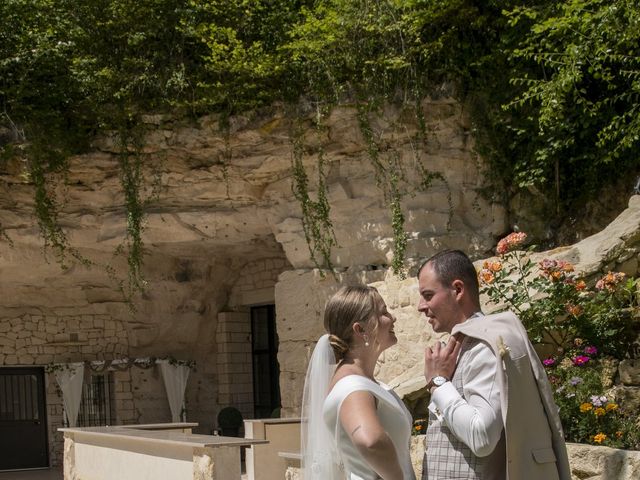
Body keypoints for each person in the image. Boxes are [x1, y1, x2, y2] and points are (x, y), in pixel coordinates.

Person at [417, 250, 571, 480]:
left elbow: (482, 436)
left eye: (428, 295)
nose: (420, 306)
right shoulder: (470, 342)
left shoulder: (485, 345)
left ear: (458, 290)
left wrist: (438, 383)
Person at [301, 285, 417, 480]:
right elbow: (370, 441)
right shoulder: (352, 386)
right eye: (383, 312)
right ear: (360, 329)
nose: (393, 318)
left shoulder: (363, 382)